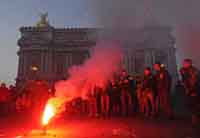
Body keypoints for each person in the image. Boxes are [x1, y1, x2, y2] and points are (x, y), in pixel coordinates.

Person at [180, 59, 200, 126]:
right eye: (183, 63)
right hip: (188, 90)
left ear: (189, 63)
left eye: (184, 63)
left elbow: (194, 81)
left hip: (194, 90)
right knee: (190, 104)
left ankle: (195, 119)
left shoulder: (194, 70)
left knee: (194, 104)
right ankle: (194, 118)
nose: (183, 64)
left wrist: (192, 90)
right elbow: (184, 79)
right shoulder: (183, 70)